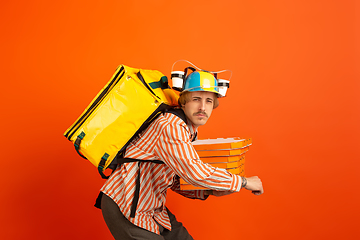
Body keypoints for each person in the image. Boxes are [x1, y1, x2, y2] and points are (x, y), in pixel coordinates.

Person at [97, 70, 264, 239]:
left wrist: (208, 192)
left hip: (151, 206)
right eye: (196, 99)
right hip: (125, 204)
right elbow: (193, 171)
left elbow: (176, 179)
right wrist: (242, 182)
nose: (202, 107)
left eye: (208, 101)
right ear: (183, 102)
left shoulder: (188, 130)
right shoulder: (171, 126)